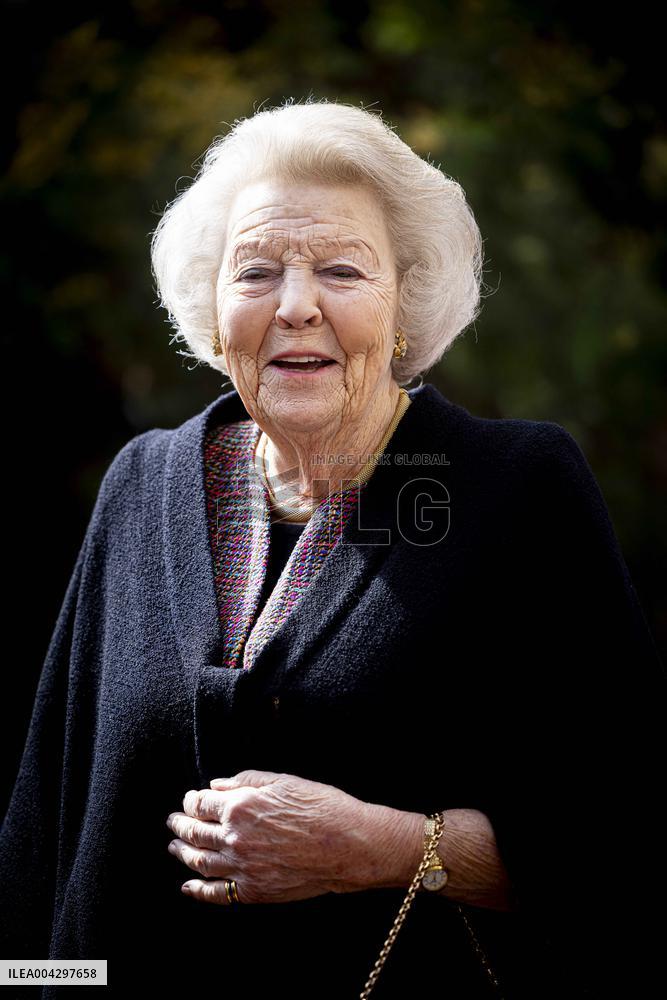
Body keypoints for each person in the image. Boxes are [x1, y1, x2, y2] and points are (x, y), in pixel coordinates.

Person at [1, 98, 665, 999]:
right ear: (214, 307)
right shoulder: (143, 482)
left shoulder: (515, 487)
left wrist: (382, 849)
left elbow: (627, 846)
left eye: (342, 270)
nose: (296, 306)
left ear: (405, 304)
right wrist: (35, 987)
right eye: (257, 271)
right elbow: (44, 834)